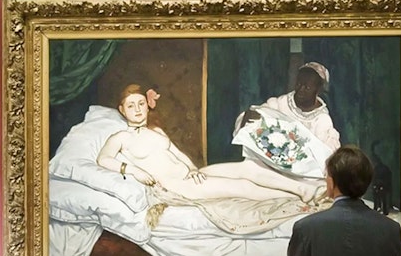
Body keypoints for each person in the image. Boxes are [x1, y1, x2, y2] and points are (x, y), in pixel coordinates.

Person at [97, 84, 326, 204]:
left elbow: (177, 154)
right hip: (176, 187)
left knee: (247, 168)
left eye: (140, 104)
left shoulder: (156, 130)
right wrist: (133, 170)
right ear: (121, 110)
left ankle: (303, 188)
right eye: (131, 106)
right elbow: (103, 159)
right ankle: (296, 198)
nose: (137, 110)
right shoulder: (121, 137)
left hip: (190, 176)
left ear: (148, 106)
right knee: (241, 188)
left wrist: (194, 169)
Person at [237, 61, 341, 151]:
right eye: (299, 84)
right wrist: (247, 118)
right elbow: (251, 118)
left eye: (307, 88)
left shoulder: (322, 120)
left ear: (318, 90)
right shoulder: (279, 104)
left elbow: (328, 153)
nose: (301, 90)